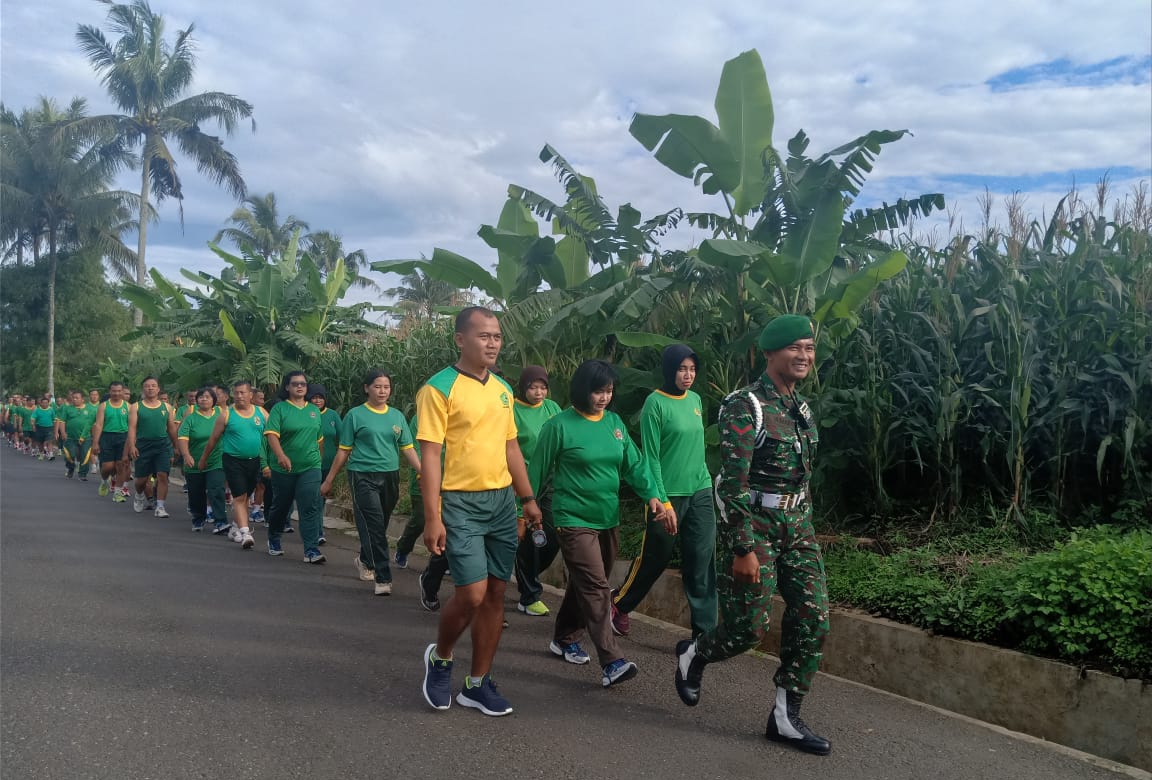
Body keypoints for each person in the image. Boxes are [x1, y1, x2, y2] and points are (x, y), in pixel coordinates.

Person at [673, 315, 831, 755]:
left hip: (797, 528)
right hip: (754, 529)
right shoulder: (746, 405)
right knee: (749, 630)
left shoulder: (799, 407)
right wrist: (743, 546)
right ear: (769, 354)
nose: (804, 356)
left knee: (815, 618)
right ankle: (695, 654)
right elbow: (732, 483)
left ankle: (785, 717)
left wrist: (803, 521)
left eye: (809, 348)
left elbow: (803, 474)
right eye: (794, 348)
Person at [417, 306, 541, 717]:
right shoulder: (439, 389)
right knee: (471, 593)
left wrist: (527, 499)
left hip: (502, 501)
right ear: (460, 340)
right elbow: (431, 455)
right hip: (460, 503)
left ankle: (477, 683)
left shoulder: (504, 390)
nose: (492, 343)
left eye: (497, 336)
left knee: (497, 594)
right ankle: (442, 657)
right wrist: (432, 515)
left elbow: (511, 449)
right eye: (483, 335)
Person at [528, 360, 669, 688]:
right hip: (572, 518)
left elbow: (634, 464)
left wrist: (653, 495)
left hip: (607, 518)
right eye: (598, 391)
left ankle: (563, 637)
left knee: (586, 583)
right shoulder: (559, 425)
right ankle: (612, 660)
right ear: (582, 390)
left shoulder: (615, 424)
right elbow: (536, 470)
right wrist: (527, 508)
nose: (605, 397)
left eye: (608, 391)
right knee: (596, 587)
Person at [612, 345, 717, 638]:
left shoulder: (696, 400)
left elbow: (697, 446)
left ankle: (704, 633)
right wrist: (664, 501)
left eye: (692, 369)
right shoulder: (654, 404)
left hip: (700, 489)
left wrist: (706, 481)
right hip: (666, 495)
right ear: (670, 370)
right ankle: (619, 604)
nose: (688, 375)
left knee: (702, 558)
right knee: (656, 559)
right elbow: (651, 457)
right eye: (682, 369)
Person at [321, 370, 421, 596]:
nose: (382, 391)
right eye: (377, 386)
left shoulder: (396, 416)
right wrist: (329, 480)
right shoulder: (355, 415)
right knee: (375, 526)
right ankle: (383, 577)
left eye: (386, 387)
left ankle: (365, 560)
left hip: (390, 475)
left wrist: (423, 471)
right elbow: (343, 450)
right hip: (362, 475)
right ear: (367, 388)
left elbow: (408, 448)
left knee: (380, 523)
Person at [511, 366, 563, 617]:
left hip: (551, 481)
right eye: (533, 387)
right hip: (524, 482)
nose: (539, 392)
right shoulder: (511, 410)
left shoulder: (553, 409)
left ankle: (527, 573)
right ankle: (529, 594)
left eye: (543, 387)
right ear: (523, 387)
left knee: (553, 536)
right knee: (528, 538)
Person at [392, 411, 451, 611]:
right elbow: (418, 448)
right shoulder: (424, 416)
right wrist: (424, 472)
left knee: (451, 532)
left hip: (458, 483)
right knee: (421, 519)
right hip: (427, 478)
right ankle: (403, 547)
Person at [264, 371, 326, 563]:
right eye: (295, 383)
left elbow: (320, 439)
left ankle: (311, 549)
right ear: (287, 387)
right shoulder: (280, 409)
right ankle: (274, 538)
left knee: (310, 506)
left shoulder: (314, 411)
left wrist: (318, 462)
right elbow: (271, 434)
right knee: (281, 506)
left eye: (303, 384)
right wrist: (281, 455)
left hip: (310, 467)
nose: (300, 387)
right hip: (284, 468)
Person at [199, 380, 266, 541]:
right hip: (233, 461)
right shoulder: (226, 414)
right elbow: (213, 439)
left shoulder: (261, 413)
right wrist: (203, 459)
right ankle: (245, 533)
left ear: (251, 395)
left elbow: (271, 436)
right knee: (239, 496)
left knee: (246, 496)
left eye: (243, 393)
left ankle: (235, 527)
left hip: (255, 461)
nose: (239, 396)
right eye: (236, 393)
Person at [125, 377, 178, 517]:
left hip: (162, 445)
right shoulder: (136, 407)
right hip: (143, 445)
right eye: (147, 386)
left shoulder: (167, 407)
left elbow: (171, 428)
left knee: (162, 475)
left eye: (153, 386)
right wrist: (132, 446)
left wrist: (176, 446)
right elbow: (132, 428)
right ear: (143, 389)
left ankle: (160, 507)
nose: (150, 388)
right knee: (141, 480)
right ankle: (139, 494)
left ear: (158, 389)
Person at [177, 387, 227, 532]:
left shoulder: (221, 414)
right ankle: (198, 518)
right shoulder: (191, 417)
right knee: (196, 493)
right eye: (201, 397)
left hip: (216, 460)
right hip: (194, 461)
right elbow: (182, 437)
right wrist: (186, 455)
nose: (204, 399)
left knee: (216, 489)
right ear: (197, 400)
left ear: (214, 400)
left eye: (207, 397)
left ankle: (220, 521)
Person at [90, 381, 132, 502]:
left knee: (121, 466)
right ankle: (104, 481)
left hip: (123, 437)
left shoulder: (128, 406)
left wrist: (132, 442)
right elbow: (98, 425)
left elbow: (132, 426)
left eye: (119, 391)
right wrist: (95, 442)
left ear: (122, 392)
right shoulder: (104, 406)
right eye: (114, 391)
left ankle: (118, 493)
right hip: (107, 437)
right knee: (108, 466)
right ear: (110, 391)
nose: (116, 393)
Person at [56, 390, 97, 480]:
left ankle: (82, 474)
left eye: (77, 398)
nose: (74, 400)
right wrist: (63, 433)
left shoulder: (90, 409)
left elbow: (93, 424)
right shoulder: (67, 409)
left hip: (86, 437)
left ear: (82, 399)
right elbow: (62, 421)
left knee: (85, 456)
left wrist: (94, 437)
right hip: (70, 437)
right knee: (69, 455)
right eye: (73, 398)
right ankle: (70, 468)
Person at [31, 395, 58, 460]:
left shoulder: (51, 410)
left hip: (49, 428)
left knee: (49, 441)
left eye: (46, 403)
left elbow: (54, 419)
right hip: (39, 428)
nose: (45, 404)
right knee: (40, 442)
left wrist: (55, 429)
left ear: (48, 403)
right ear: (41, 403)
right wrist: (33, 426)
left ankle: (51, 454)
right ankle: (41, 454)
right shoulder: (37, 410)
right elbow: (33, 418)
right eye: (43, 402)